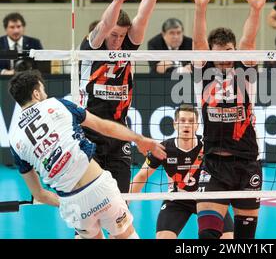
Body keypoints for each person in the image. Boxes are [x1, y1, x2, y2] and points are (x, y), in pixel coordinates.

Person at [8, 70, 166, 239]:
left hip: (71, 202)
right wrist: (139, 139)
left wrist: (67, 204)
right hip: (98, 187)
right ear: (36, 93)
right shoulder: (57, 104)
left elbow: (39, 194)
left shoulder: (15, 139)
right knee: (126, 235)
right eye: (43, 90)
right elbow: (104, 127)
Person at [192, 0, 272, 239]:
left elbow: (249, 41)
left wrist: (256, 9)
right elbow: (198, 44)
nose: (225, 58)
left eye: (229, 52)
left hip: (247, 164)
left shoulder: (244, 71)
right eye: (219, 53)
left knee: (244, 240)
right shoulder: (203, 72)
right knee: (207, 236)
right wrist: (200, 8)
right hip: (214, 164)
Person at [79, 0, 170, 194]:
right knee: (90, 204)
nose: (118, 40)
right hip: (89, 132)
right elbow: (106, 23)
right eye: (114, 35)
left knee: (121, 202)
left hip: (119, 134)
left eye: (122, 35)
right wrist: (119, 0)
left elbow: (142, 17)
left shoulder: (127, 47)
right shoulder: (93, 46)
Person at [130, 104, 234, 239]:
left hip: (207, 198)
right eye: (182, 121)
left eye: (191, 121)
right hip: (177, 200)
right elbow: (142, 175)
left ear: (197, 125)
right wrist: (124, 201)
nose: (186, 125)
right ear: (175, 124)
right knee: (163, 237)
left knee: (228, 238)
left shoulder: (208, 148)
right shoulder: (163, 148)